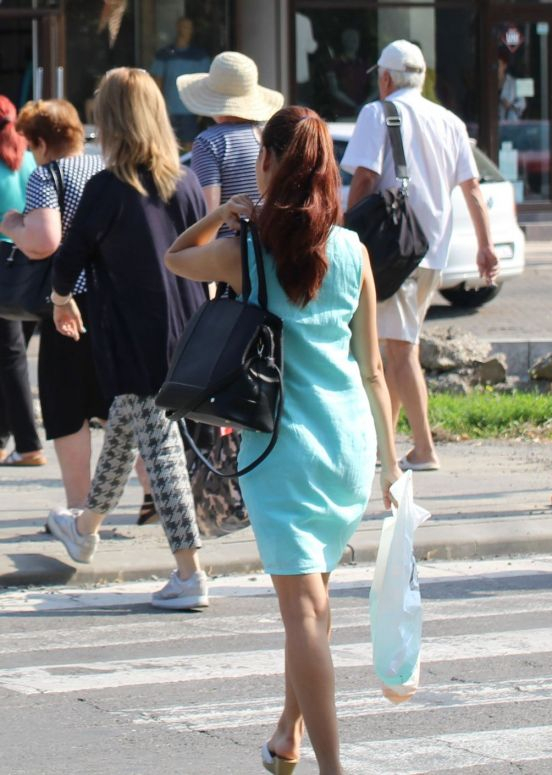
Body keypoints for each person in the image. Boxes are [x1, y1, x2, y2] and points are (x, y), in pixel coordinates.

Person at [165, 105, 402, 775]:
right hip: (349, 444)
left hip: (283, 449)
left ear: (267, 163)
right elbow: (375, 368)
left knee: (303, 614)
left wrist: (225, 212)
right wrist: (391, 468)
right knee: (314, 609)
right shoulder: (353, 249)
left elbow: (176, 256)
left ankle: (331, 768)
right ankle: (285, 735)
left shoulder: (248, 251)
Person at [45, 68, 209, 610]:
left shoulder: (108, 186)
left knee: (159, 449)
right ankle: (85, 527)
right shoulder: (183, 182)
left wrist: (61, 300)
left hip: (134, 333)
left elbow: (70, 256)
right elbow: (199, 251)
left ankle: (190, 571)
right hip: (186, 325)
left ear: (110, 119)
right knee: (126, 427)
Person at [342, 40, 499, 472]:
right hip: (430, 252)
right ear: (423, 77)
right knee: (397, 343)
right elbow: (472, 190)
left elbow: (366, 178)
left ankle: (425, 448)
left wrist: (344, 230)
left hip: (393, 251)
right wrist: (485, 246)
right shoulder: (449, 120)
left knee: (399, 350)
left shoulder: (378, 113)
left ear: (386, 78)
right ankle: (387, 444)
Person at [0, 99, 108, 507]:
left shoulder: (49, 174)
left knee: (66, 406)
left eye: (32, 144)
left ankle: (79, 507)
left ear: (42, 141)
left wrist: (12, 223)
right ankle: (152, 496)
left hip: (68, 302)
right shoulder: (103, 167)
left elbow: (44, 242)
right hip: (112, 298)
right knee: (119, 404)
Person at [177, 50, 284, 225]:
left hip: (226, 248)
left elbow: (206, 215)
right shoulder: (270, 136)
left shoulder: (209, 142)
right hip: (266, 246)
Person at [0, 95, 44, 467]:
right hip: (30, 260)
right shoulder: (29, 158)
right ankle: (3, 437)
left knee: (11, 356)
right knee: (9, 353)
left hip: (4, 259)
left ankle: (29, 445)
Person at [149, 17, 210, 146]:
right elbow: (157, 81)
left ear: (192, 30)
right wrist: (159, 106)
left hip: (190, 110)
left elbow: (205, 82)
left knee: (190, 149)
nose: (185, 30)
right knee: (168, 146)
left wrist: (201, 109)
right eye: (182, 26)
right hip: (168, 111)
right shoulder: (164, 54)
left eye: (188, 27)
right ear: (177, 27)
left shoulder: (200, 55)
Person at [497, 49, 525, 121]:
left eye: (498, 65)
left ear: (504, 66)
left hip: (510, 124)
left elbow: (522, 104)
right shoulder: (488, 84)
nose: (496, 68)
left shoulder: (514, 83)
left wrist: (510, 105)